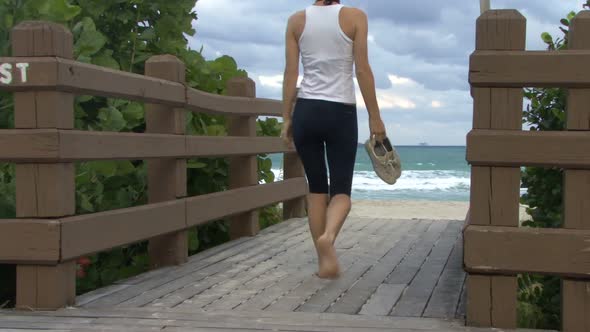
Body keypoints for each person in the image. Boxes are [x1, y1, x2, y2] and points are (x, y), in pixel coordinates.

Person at [281, 0, 386, 279]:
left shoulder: (296, 21)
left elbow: (291, 74)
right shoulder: (355, 17)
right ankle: (328, 237)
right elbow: (362, 70)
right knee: (341, 191)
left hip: (306, 110)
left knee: (316, 188)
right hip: (340, 111)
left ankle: (324, 263)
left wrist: (287, 117)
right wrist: (375, 117)